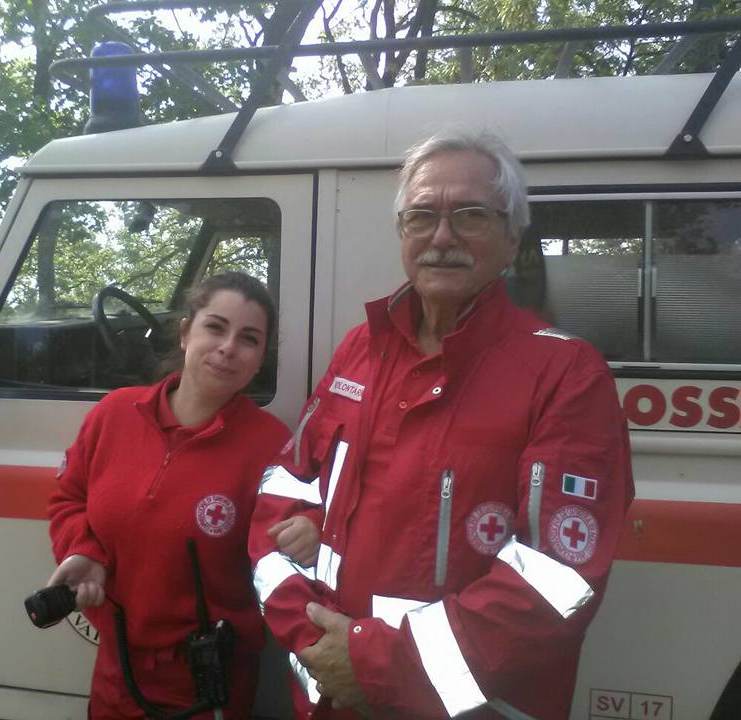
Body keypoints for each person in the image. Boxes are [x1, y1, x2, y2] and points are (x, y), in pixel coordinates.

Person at [248, 128, 635, 719]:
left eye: (471, 216)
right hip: (328, 697)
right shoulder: (360, 349)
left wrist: (376, 665)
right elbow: (284, 489)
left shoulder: (566, 374)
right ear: (402, 232)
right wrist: (310, 637)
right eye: (421, 215)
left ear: (512, 237)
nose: (442, 237)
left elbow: (558, 582)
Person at [47, 271, 318, 719]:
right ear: (186, 329)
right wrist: (85, 550)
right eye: (215, 327)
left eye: (248, 339)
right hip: (116, 667)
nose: (228, 347)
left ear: (258, 360)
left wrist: (314, 531)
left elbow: (305, 530)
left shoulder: (272, 446)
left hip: (208, 677)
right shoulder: (114, 414)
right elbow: (68, 498)